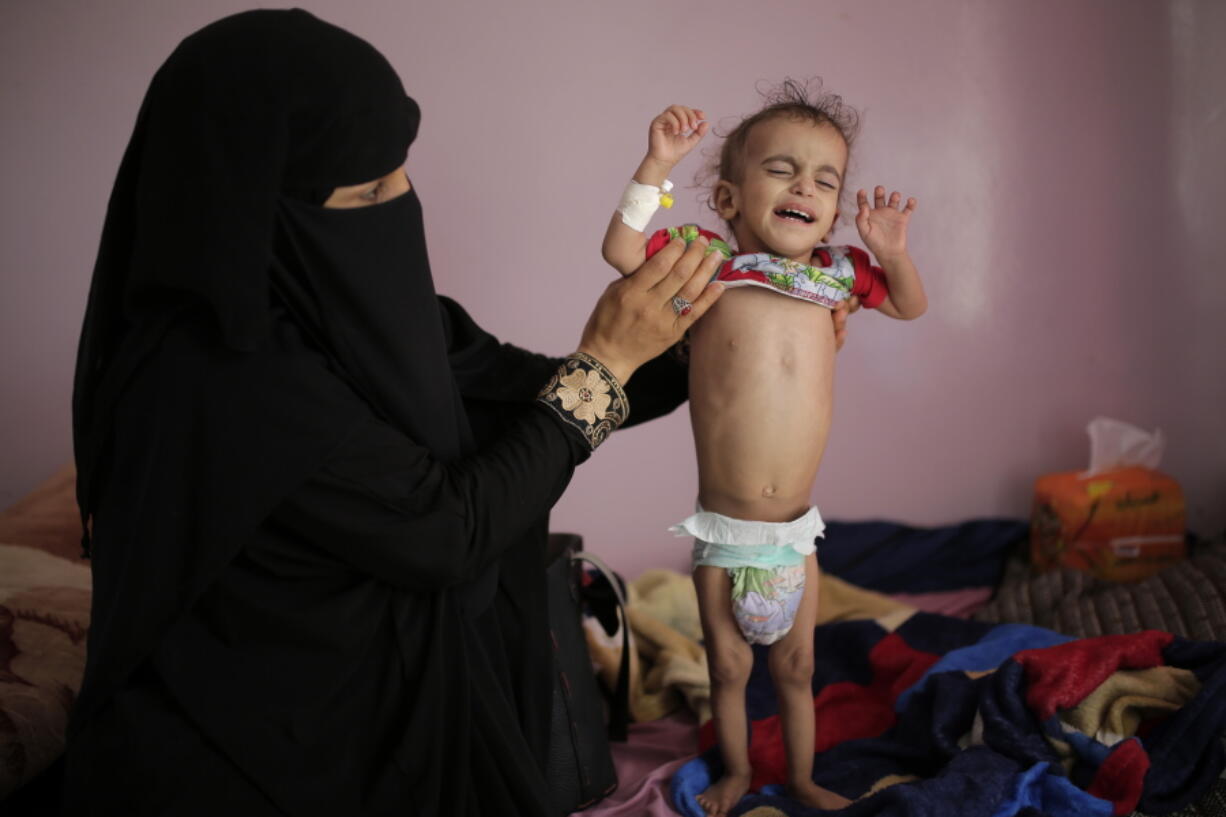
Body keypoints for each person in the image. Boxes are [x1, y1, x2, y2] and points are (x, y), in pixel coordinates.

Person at [63, 9, 740, 816]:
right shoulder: (220, 378)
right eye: (370, 191)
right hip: (275, 741)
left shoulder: (343, 303)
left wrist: (715, 349)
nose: (402, 202)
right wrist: (607, 362)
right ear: (259, 211)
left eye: (400, 172)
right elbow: (447, 532)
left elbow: (517, 388)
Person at [601, 82, 927, 815]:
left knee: (798, 666)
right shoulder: (708, 264)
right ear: (726, 197)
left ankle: (804, 779)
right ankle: (738, 773)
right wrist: (655, 165)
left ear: (835, 212)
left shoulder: (837, 274)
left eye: (824, 178)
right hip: (722, 532)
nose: (803, 187)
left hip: (794, 537)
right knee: (726, 668)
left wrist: (893, 252)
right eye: (781, 168)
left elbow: (909, 303)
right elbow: (620, 248)